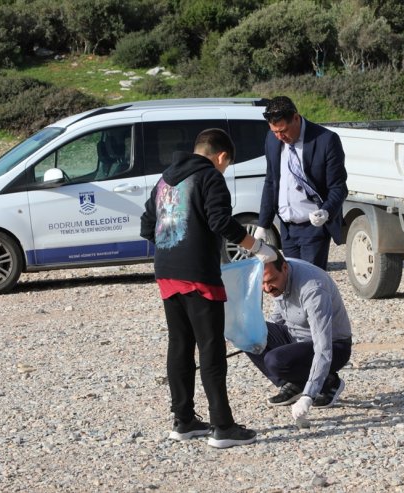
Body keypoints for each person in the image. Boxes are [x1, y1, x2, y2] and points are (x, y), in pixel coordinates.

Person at [140, 128, 277, 449]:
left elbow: (148, 227)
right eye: (226, 165)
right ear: (221, 157)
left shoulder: (164, 180)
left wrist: (174, 245)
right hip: (199, 274)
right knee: (212, 348)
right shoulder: (210, 178)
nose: (224, 170)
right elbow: (221, 222)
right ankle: (223, 426)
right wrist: (257, 247)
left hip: (166, 272)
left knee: (180, 344)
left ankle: (183, 420)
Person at [245, 246, 352, 422]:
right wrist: (253, 341)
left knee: (275, 360)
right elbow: (277, 319)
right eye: (261, 283)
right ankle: (293, 383)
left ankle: (329, 383)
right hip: (295, 337)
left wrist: (309, 396)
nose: (267, 288)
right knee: (248, 330)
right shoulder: (278, 278)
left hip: (334, 346)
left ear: (285, 267)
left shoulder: (312, 288)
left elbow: (323, 347)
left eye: (270, 281)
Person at [254, 96, 348, 271]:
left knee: (310, 282)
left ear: (296, 118)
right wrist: (263, 224)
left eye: (283, 130)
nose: (280, 136)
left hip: (312, 226)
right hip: (287, 228)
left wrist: (326, 211)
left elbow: (339, 187)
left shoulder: (325, 140)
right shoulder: (272, 139)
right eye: (274, 131)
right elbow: (271, 181)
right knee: (289, 282)